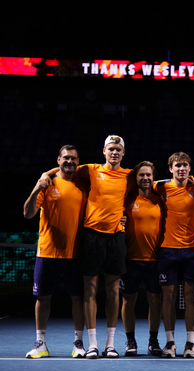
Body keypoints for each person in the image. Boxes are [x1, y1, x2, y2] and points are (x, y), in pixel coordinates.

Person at [41, 135, 133, 358]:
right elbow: (65, 166)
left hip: (116, 237)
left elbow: (151, 182)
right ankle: (92, 343)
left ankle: (109, 344)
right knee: (89, 291)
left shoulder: (129, 175)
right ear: (104, 151)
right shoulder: (89, 170)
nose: (114, 152)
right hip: (91, 236)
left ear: (123, 153)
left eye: (118, 149)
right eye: (111, 149)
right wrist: (46, 174)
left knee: (113, 291)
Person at [23, 145, 87, 358]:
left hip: (76, 252)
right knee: (43, 297)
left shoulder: (83, 183)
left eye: (73, 158)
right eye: (66, 158)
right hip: (47, 251)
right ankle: (40, 343)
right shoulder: (48, 184)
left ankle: (78, 343)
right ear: (58, 159)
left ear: (78, 161)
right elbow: (28, 213)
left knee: (78, 298)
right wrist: (37, 186)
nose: (70, 161)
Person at [154, 152, 194, 358]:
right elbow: (142, 179)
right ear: (170, 169)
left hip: (192, 249)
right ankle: (170, 343)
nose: (182, 168)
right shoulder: (161, 187)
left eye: (185, 165)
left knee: (191, 297)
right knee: (168, 297)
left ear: (190, 168)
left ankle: (190, 344)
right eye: (177, 165)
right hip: (167, 250)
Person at [120, 161, 164, 357]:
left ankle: (153, 341)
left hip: (156, 260)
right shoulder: (127, 200)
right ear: (136, 178)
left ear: (153, 178)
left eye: (149, 175)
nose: (145, 178)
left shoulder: (161, 200)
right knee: (128, 301)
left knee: (155, 301)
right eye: (141, 175)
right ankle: (130, 341)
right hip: (131, 260)